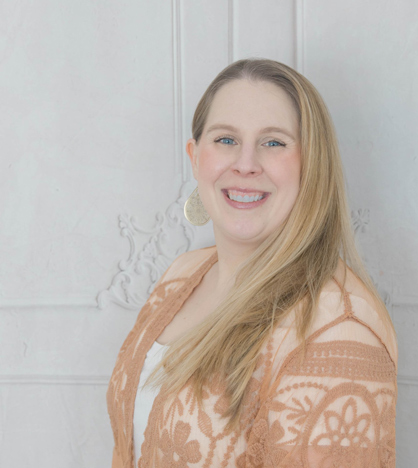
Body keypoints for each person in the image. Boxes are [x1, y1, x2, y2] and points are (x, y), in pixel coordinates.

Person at [107, 58, 398, 468]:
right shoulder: (182, 276)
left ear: (312, 164)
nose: (245, 163)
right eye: (225, 140)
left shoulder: (336, 325)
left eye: (273, 142)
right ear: (195, 157)